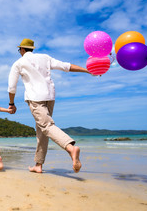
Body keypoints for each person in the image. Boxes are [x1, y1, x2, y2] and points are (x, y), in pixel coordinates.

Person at [7, 38, 91, 173]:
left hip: (35, 98)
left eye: (19, 50)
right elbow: (66, 66)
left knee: (46, 126)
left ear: (22, 49)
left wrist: (11, 103)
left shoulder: (18, 63)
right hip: (50, 97)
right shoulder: (45, 57)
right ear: (32, 49)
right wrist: (87, 70)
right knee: (42, 130)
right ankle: (38, 164)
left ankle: (70, 147)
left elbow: (12, 87)